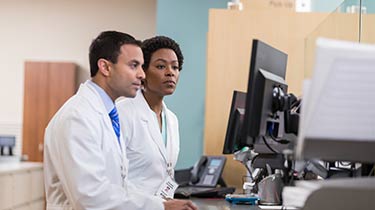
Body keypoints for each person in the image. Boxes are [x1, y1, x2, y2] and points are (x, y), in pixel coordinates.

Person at [44, 31, 197, 210]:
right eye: (134, 66)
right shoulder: (78, 117)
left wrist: (161, 203)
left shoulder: (106, 114)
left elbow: (119, 183)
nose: (141, 74)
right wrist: (160, 207)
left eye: (141, 66)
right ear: (106, 67)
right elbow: (89, 197)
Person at [116, 36, 183, 197]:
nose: (170, 73)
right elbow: (114, 178)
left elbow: (167, 171)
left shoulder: (172, 120)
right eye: (161, 66)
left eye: (175, 67)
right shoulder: (122, 113)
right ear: (143, 71)